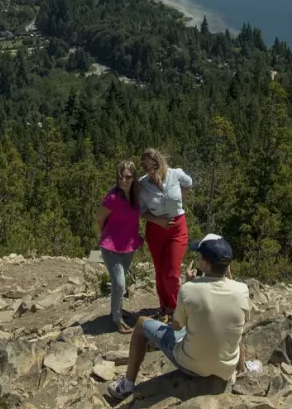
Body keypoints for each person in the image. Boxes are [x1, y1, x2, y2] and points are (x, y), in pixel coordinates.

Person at [106, 233, 250, 401]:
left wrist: (188, 283)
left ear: (207, 264)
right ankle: (242, 370)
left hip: (192, 365)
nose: (198, 259)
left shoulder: (189, 290)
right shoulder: (242, 290)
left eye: (200, 257)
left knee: (141, 323)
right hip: (226, 369)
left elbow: (176, 326)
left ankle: (127, 385)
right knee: (233, 323)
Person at [138, 148, 192, 319]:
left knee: (172, 273)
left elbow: (189, 183)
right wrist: (158, 221)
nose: (151, 171)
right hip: (155, 229)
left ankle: (179, 311)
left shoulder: (175, 174)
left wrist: (179, 198)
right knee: (160, 271)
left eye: (154, 166)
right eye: (146, 168)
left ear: (161, 162)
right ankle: (165, 307)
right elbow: (141, 211)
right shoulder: (142, 184)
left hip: (177, 227)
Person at [97, 160, 144, 334]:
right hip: (111, 246)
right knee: (119, 282)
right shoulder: (112, 197)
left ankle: (116, 310)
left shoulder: (136, 197)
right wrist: (108, 236)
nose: (123, 180)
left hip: (128, 244)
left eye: (128, 176)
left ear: (133, 178)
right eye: (120, 176)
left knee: (121, 280)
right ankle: (117, 319)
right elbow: (100, 218)